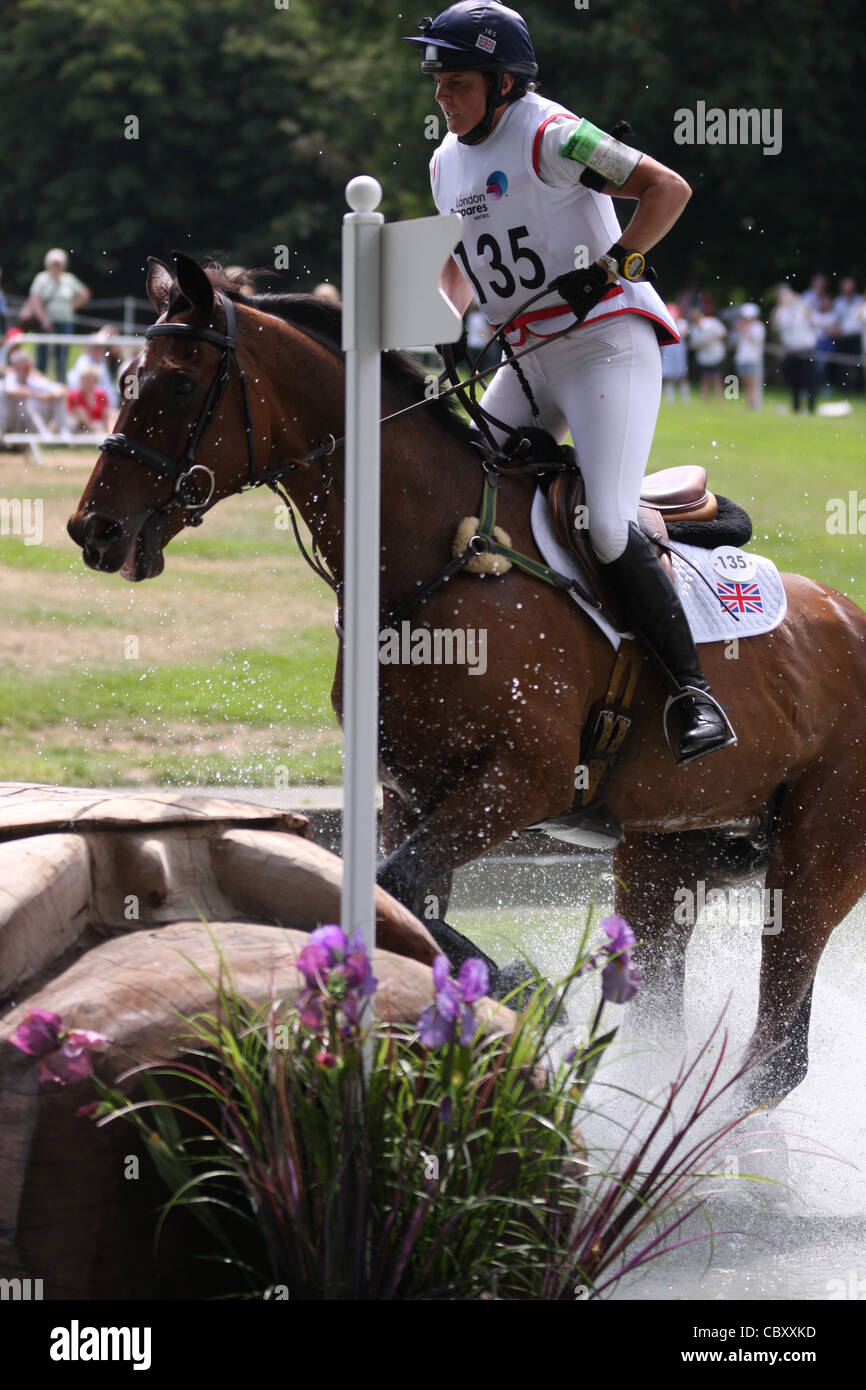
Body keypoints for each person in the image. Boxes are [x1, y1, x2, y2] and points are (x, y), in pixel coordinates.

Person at [404, 1, 735, 768]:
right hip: (524, 360)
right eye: (438, 84)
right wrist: (443, 316)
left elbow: (668, 189)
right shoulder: (443, 161)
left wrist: (615, 268)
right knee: (464, 492)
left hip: (605, 348)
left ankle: (694, 694)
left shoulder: (557, 135)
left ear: (504, 83)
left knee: (608, 527)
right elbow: (459, 260)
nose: (442, 99)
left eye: (456, 83)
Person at [27, 248, 90, 380]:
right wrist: (43, 319)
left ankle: (60, 382)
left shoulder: (69, 279)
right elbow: (35, 300)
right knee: (42, 355)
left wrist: (70, 307)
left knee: (62, 356)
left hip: (64, 322)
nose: (56, 267)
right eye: (54, 264)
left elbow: (84, 293)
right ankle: (41, 381)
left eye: (58, 264)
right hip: (45, 323)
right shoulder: (42, 279)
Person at [773, 285, 817, 414]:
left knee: (809, 381)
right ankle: (796, 407)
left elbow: (810, 314)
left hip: (806, 349)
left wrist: (797, 300)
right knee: (794, 381)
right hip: (791, 351)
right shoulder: (782, 311)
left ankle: (811, 408)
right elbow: (775, 324)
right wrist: (782, 306)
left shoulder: (802, 306)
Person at [0, 348, 66, 435]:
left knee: (59, 400)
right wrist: (38, 395)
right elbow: (11, 392)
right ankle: (43, 434)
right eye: (23, 368)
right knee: (22, 401)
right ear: (15, 367)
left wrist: (51, 396)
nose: (26, 371)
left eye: (28, 368)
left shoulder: (33, 380)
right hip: (12, 422)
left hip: (34, 420)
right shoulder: (8, 379)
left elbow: (61, 389)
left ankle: (63, 432)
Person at [688, 306, 727, 399]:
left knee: (717, 378)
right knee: (705, 379)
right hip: (704, 357)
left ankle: (719, 399)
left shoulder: (712, 322)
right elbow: (694, 345)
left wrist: (712, 340)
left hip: (716, 355)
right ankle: (705, 399)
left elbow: (723, 333)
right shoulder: (694, 330)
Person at [733, 303, 765, 410]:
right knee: (745, 380)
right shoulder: (740, 326)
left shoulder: (758, 327)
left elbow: (757, 341)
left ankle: (754, 403)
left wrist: (746, 331)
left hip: (753, 357)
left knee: (753, 381)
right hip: (742, 357)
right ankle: (749, 402)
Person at [66, 364, 111, 434]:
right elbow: (74, 414)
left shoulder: (101, 395)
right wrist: (95, 429)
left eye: (89, 380)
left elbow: (107, 414)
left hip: (99, 424)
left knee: (112, 415)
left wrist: (109, 430)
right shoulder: (74, 395)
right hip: (81, 427)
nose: (86, 383)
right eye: (84, 380)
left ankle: (112, 434)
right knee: (79, 412)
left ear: (95, 381)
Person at [660, 301, 690, 402]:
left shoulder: (682, 323)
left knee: (682, 373)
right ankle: (670, 399)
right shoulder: (665, 323)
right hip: (668, 350)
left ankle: (685, 398)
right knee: (668, 374)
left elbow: (683, 334)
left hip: (679, 351)